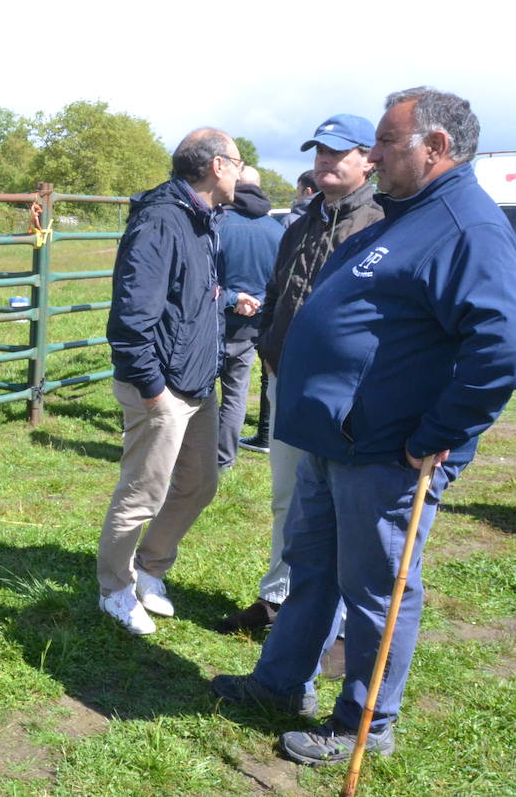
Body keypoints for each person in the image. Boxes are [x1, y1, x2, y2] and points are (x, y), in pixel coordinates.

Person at [212, 88, 516, 765]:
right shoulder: (407, 215)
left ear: (436, 148)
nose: (372, 155)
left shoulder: (467, 227)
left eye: (386, 142)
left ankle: (364, 724)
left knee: (377, 590)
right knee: (311, 568)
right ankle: (280, 683)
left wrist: (437, 432)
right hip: (332, 439)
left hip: (384, 450)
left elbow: (499, 347)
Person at [216, 114, 383, 637]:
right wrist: (269, 344)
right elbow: (278, 287)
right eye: (320, 153)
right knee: (288, 497)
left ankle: (334, 621)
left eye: (339, 152)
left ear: (368, 158)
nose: (326, 161)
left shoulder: (382, 223)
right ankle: (278, 602)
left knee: (345, 508)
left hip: (349, 393)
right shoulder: (306, 219)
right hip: (288, 380)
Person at [97, 128, 239, 635]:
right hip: (162, 385)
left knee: (199, 484)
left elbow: (188, 298)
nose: (242, 174)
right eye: (238, 164)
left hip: (197, 381)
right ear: (217, 166)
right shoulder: (162, 220)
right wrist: (153, 389)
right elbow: (131, 318)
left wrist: (225, 303)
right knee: (142, 493)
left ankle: (150, 569)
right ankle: (114, 587)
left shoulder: (202, 218)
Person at [238, 169, 316, 454]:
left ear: (307, 191)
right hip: (273, 316)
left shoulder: (293, 222)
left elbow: (280, 279)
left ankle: (263, 433)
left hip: (252, 314)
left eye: (298, 190)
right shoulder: (278, 226)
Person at [214, 165, 283, 471]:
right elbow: (284, 281)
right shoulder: (278, 230)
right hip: (254, 324)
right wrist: (260, 305)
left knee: (198, 391)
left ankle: (190, 457)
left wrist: (232, 299)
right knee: (235, 393)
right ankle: (223, 460)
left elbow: (203, 275)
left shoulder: (218, 224)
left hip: (214, 319)